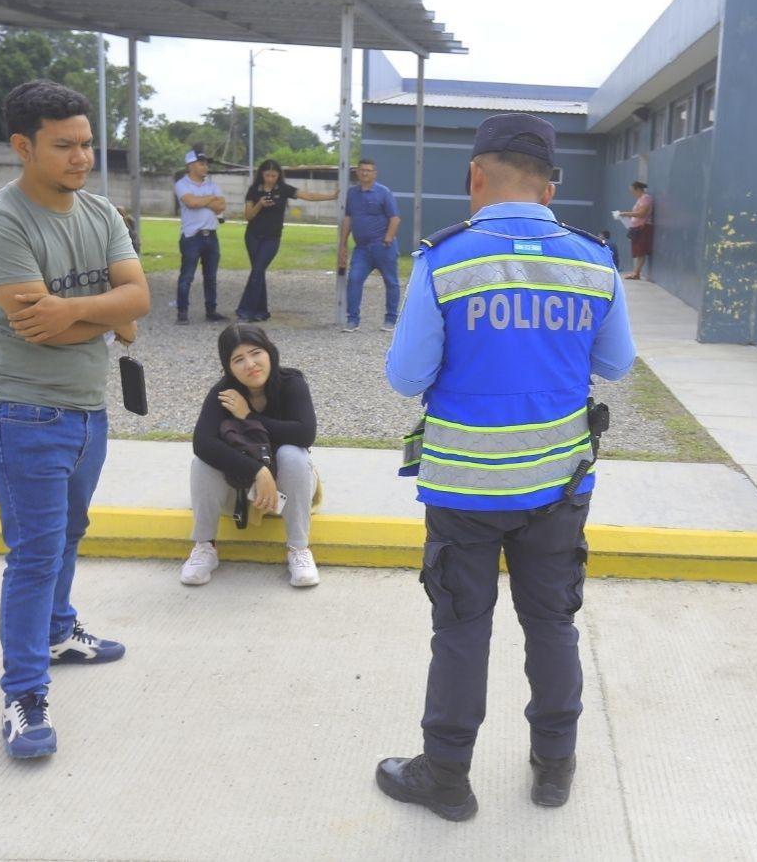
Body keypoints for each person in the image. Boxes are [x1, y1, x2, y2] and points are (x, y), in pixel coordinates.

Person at [379, 113, 636, 821]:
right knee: (552, 624)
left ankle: (448, 777)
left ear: (476, 177)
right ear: (551, 186)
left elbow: (406, 377)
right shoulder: (592, 259)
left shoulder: (446, 259)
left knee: (461, 630)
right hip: (557, 486)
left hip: (465, 487)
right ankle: (554, 766)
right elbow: (615, 363)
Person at [0, 80, 150, 759]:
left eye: (87, 144)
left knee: (71, 532)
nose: (83, 158)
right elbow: (37, 328)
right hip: (21, 415)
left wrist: (77, 310)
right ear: (24, 146)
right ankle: (22, 693)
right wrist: (107, 314)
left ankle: (59, 631)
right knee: (35, 555)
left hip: (87, 413)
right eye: (66, 146)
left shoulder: (100, 210)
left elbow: (139, 301)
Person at [181, 324, 321, 587]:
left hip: (285, 496)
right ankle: (205, 547)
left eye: (256, 352)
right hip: (241, 495)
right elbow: (202, 444)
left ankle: (298, 549)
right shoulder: (223, 394)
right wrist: (257, 471)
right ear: (228, 366)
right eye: (238, 359)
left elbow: (305, 434)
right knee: (202, 464)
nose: (250, 364)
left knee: (293, 454)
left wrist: (249, 416)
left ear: (269, 351)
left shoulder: (292, 383)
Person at [236, 159, 338, 322]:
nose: (270, 178)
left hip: (272, 238)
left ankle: (245, 311)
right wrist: (260, 204)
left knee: (257, 271)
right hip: (253, 236)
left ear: (278, 176)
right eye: (267, 175)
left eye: (274, 175)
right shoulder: (253, 190)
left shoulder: (284, 189)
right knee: (258, 272)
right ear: (262, 174)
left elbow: (308, 195)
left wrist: (331, 196)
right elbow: (248, 216)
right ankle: (260, 311)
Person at [336, 158, 401, 332]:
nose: (365, 173)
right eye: (362, 170)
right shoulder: (352, 194)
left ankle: (391, 319)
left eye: (368, 170)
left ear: (374, 173)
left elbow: (394, 218)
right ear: (357, 172)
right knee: (354, 280)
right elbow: (348, 218)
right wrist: (343, 244)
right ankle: (353, 320)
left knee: (391, 282)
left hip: (383, 247)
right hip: (362, 249)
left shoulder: (383, 192)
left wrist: (388, 238)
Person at [174, 149, 227, 325]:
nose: (205, 167)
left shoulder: (212, 184)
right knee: (187, 276)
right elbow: (191, 202)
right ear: (190, 165)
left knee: (211, 276)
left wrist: (203, 200)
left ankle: (211, 310)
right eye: (201, 163)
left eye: (206, 164)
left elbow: (221, 207)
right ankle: (182, 311)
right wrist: (211, 199)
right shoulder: (182, 184)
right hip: (192, 237)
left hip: (211, 235)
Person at [614, 181, 653, 279]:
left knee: (641, 251)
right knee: (637, 251)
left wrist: (626, 214)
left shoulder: (646, 198)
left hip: (642, 227)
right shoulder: (640, 199)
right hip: (636, 227)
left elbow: (642, 213)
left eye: (632, 191)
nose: (632, 193)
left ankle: (636, 273)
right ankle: (636, 272)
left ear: (638, 189)